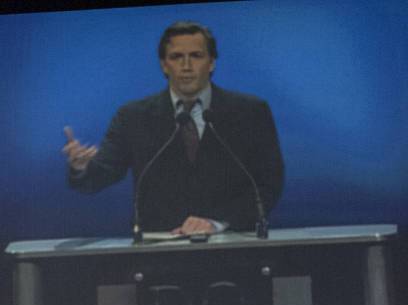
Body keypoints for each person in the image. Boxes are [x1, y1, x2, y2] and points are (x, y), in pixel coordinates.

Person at [63, 21, 284, 235]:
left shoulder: (250, 112)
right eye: (176, 57)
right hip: (158, 257)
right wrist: (82, 168)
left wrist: (216, 223)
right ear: (163, 64)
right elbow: (98, 177)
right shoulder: (133, 117)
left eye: (196, 56)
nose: (186, 66)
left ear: (212, 62)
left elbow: (269, 184)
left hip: (232, 250)